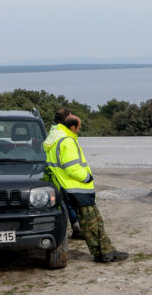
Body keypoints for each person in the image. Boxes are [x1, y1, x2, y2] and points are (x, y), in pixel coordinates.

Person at [44, 115, 129, 263]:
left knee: (89, 223)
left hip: (64, 187)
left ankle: (103, 252)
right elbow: (72, 167)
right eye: (79, 127)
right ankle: (105, 253)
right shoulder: (67, 141)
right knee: (94, 221)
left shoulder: (54, 138)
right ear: (72, 127)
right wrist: (87, 177)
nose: (79, 130)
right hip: (76, 188)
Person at [43, 108, 83, 239]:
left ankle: (74, 227)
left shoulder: (53, 131)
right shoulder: (61, 133)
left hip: (57, 174)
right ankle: (76, 227)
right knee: (68, 202)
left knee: (66, 203)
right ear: (66, 119)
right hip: (64, 175)